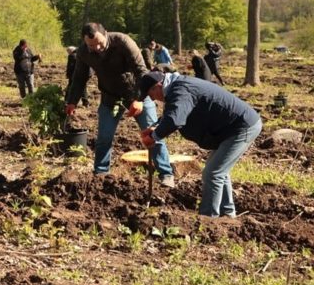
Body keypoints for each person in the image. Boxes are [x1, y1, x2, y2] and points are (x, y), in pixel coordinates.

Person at [139, 71, 262, 217]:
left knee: (213, 173)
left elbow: (175, 120)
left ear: (157, 86)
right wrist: (156, 126)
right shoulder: (177, 87)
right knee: (217, 171)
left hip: (240, 127)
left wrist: (154, 136)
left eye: (151, 95)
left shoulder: (181, 90)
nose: (153, 99)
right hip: (230, 129)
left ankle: (208, 219)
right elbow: (173, 113)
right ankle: (227, 214)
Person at [66, 23, 174, 186]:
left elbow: (141, 72)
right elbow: (80, 78)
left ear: (106, 34)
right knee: (104, 138)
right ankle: (101, 173)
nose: (97, 48)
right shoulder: (83, 52)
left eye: (100, 43)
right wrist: (72, 101)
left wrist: (139, 99)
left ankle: (166, 174)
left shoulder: (123, 42)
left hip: (137, 94)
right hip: (110, 98)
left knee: (153, 133)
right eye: (92, 45)